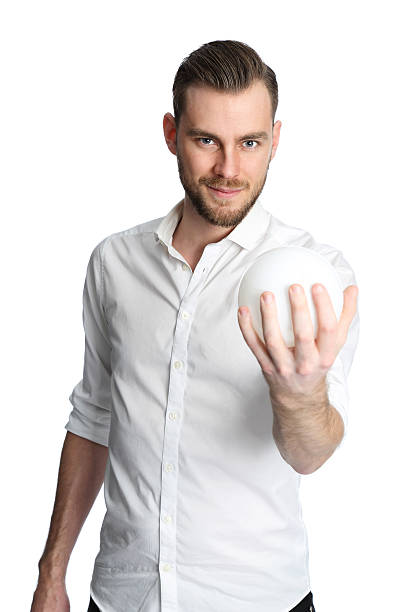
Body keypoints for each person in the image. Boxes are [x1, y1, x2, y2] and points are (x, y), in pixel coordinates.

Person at [31, 39, 359, 612]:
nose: (229, 168)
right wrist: (52, 571)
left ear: (275, 141)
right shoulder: (114, 264)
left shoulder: (312, 278)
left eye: (250, 143)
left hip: (259, 601)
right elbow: (93, 417)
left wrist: (299, 394)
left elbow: (311, 452)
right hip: (121, 599)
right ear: (170, 133)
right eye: (206, 139)